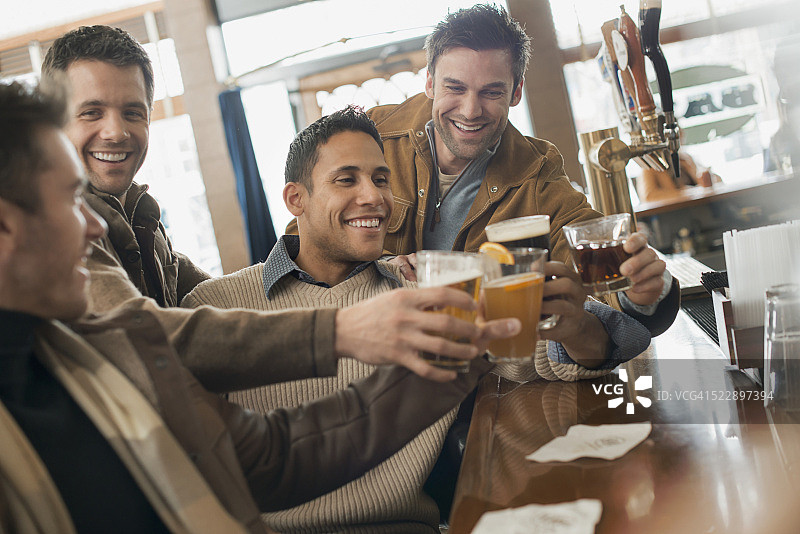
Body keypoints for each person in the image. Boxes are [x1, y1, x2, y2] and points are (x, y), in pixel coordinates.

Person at [0, 81, 497, 534]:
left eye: (380, 179)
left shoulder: (92, 358)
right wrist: (340, 331)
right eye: (71, 200)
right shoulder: (151, 333)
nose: (97, 228)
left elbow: (271, 458)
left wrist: (456, 365)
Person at [184, 106, 652, 533]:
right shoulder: (213, 306)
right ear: (296, 200)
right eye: (346, 180)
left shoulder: (431, 294)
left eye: (381, 180)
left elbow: (543, 358)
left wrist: (573, 325)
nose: (373, 197)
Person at [39, 24, 520, 386]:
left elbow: (232, 299)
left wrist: (364, 276)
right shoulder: (60, 230)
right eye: (91, 112)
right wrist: (339, 327)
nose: (116, 131)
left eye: (133, 112)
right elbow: (146, 339)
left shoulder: (139, 217)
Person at [288, 4, 679, 336]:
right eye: (455, 88)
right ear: (429, 83)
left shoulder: (538, 174)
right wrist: (375, 270)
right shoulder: (371, 138)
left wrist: (642, 293)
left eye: (491, 92)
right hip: (371, 361)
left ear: (516, 91)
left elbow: (597, 282)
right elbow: (302, 243)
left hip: (485, 374)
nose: (470, 110)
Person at [637, 129, 721, 202]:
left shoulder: (686, 158)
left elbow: (717, 181)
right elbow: (648, 197)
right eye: (678, 132)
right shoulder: (651, 165)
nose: (682, 134)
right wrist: (684, 193)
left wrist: (696, 174)